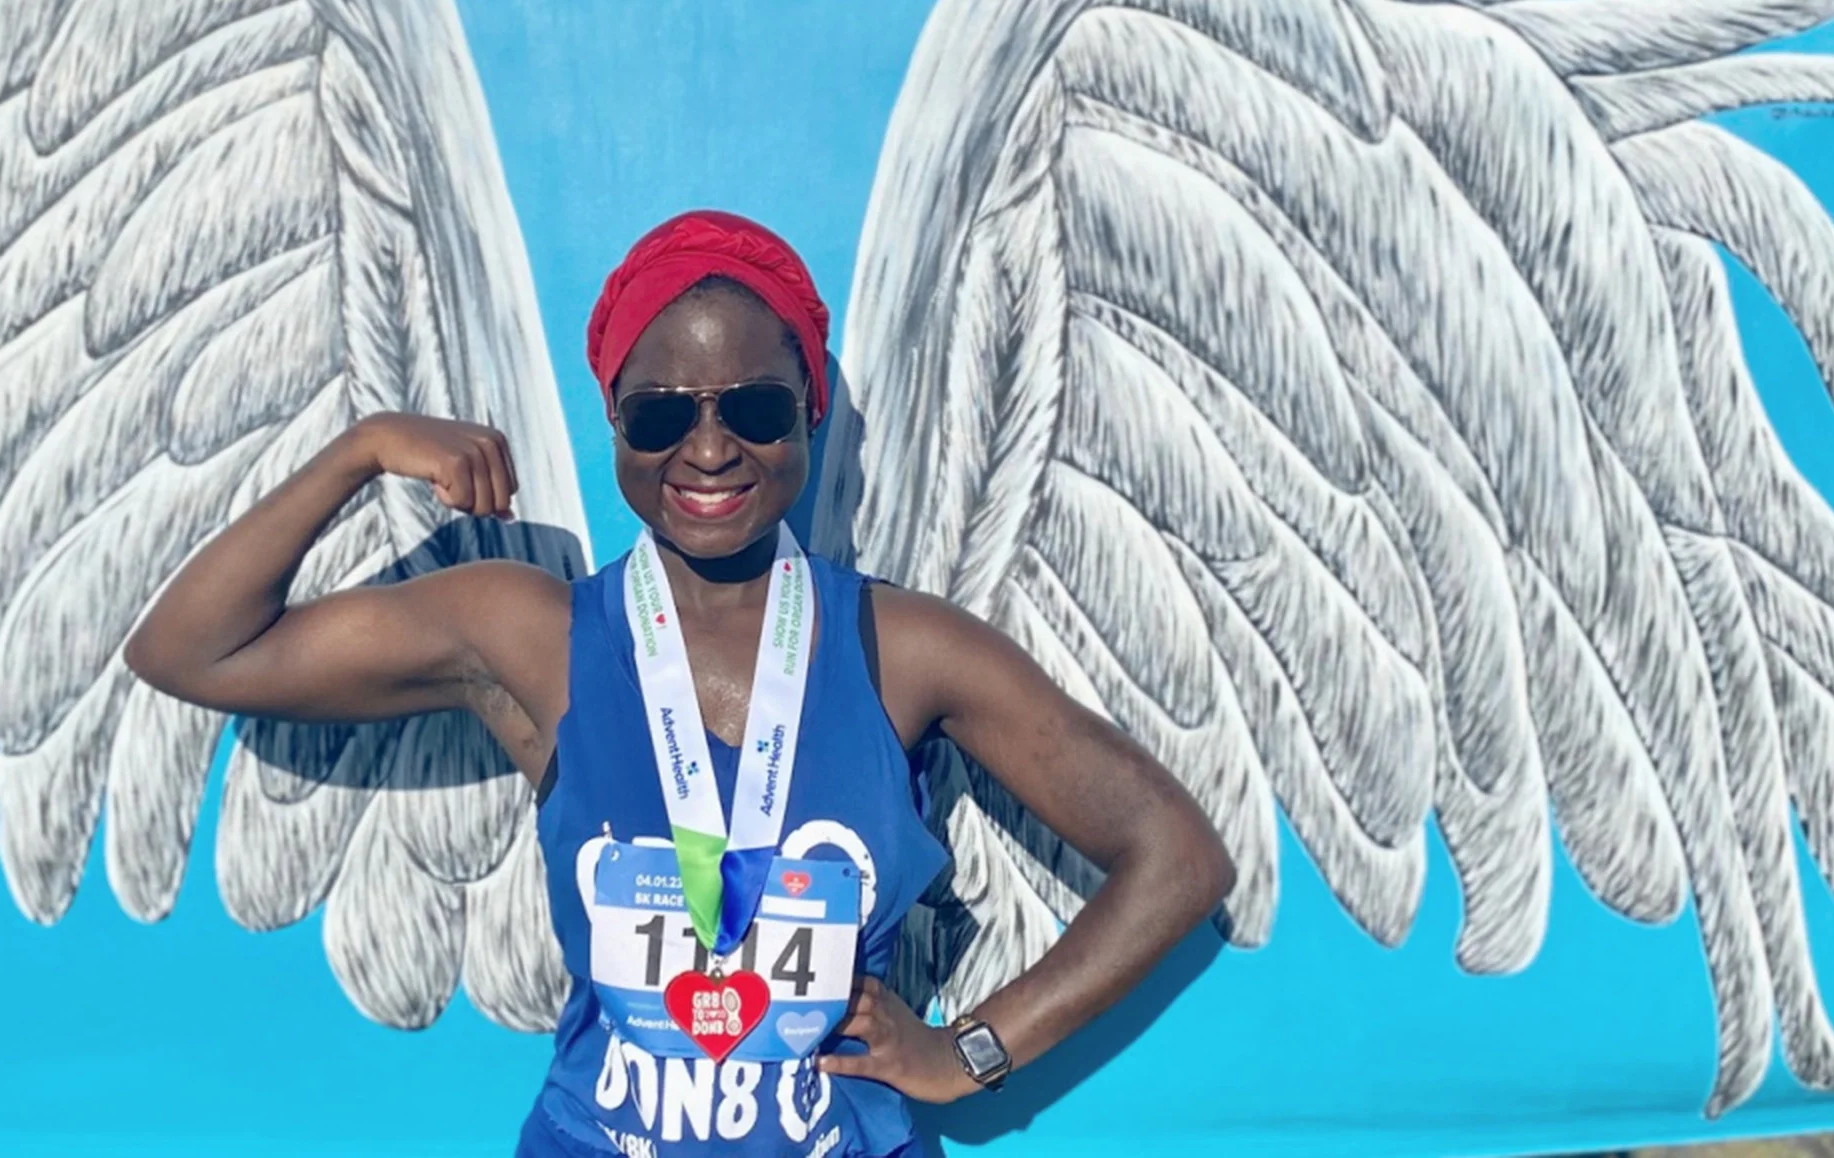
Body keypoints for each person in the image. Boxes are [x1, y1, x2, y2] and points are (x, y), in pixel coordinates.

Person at [124, 209, 1234, 1157]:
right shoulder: (533, 632)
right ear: (616, 426)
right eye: (661, 414)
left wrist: (971, 1050)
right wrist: (361, 450)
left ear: (808, 412)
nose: (708, 449)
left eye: (751, 407)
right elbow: (192, 650)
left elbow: (1177, 857)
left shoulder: (905, 648)